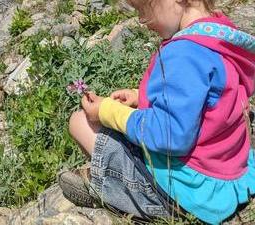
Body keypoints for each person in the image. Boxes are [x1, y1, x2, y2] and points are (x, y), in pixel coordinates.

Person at [58, 0, 255, 224]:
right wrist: (140, 97)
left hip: (190, 192)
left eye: (143, 10)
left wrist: (107, 111)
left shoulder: (183, 54)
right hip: (228, 172)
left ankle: (111, 189)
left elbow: (169, 136)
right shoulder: (217, 34)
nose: (142, 20)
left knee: (80, 123)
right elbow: (202, 97)